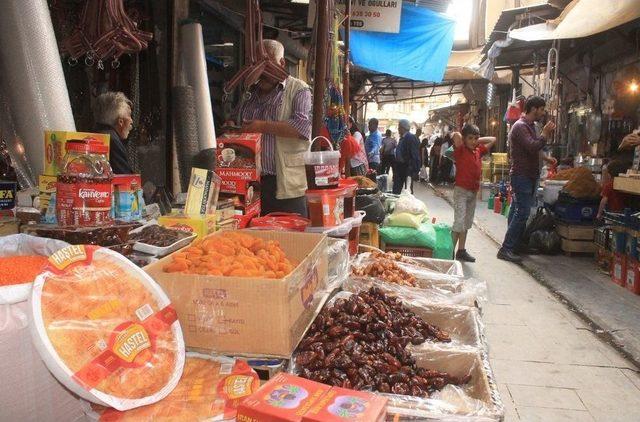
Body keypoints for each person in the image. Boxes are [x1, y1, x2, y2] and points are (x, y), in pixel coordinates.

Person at [236, 39, 312, 216]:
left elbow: (302, 128)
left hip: (287, 185)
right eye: (256, 65)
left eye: (267, 64)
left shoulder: (299, 89)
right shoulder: (249, 94)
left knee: (291, 238)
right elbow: (237, 123)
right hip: (252, 185)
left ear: (282, 63)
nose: (262, 71)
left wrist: (261, 126)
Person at [498, 96, 556, 262]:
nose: (543, 113)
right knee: (522, 212)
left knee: (518, 209)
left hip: (529, 174)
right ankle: (506, 248)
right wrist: (545, 134)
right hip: (521, 174)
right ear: (534, 108)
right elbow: (532, 146)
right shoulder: (520, 126)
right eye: (542, 109)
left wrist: (546, 159)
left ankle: (516, 244)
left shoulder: (530, 126)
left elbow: (533, 148)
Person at [450, 124, 496, 262]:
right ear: (464, 140)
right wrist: (466, 139)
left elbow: (493, 139)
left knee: (466, 223)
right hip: (461, 192)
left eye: (475, 138)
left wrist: (476, 140)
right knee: (459, 223)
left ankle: (461, 251)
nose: (473, 141)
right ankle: (448, 251)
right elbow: (456, 135)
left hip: (473, 192)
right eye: (470, 138)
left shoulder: (478, 151)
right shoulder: (460, 150)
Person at [93, 91, 134, 174]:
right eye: (129, 115)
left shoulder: (96, 134)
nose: (131, 121)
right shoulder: (112, 141)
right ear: (120, 122)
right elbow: (125, 177)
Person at [393, 119, 421, 194]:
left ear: (403, 128)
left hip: (407, 168)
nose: (398, 129)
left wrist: (414, 170)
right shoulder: (402, 138)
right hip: (400, 167)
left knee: (407, 190)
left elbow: (415, 155)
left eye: (399, 127)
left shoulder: (410, 137)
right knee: (396, 190)